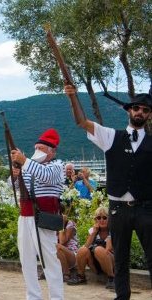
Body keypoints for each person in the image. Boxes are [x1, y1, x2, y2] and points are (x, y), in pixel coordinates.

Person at [65, 86, 152, 300]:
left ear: (149, 115)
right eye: (136, 108)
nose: (140, 112)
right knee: (120, 257)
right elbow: (81, 122)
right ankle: (122, 297)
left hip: (146, 208)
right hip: (118, 209)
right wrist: (72, 97)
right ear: (129, 111)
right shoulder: (111, 136)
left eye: (145, 110)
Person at [11, 128, 65, 300]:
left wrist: (24, 161)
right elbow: (15, 187)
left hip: (44, 216)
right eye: (37, 147)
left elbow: (46, 176)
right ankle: (33, 296)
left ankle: (56, 297)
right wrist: (15, 175)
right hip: (25, 215)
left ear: (52, 151)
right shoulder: (29, 167)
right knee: (26, 258)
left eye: (42, 148)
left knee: (48, 259)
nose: (38, 151)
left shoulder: (57, 166)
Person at [68, 207, 114, 289]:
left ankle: (112, 278)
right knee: (82, 250)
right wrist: (94, 233)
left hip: (111, 262)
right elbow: (86, 247)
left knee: (98, 249)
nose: (101, 220)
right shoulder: (93, 230)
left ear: (110, 218)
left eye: (105, 217)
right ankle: (81, 276)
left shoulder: (114, 230)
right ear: (96, 219)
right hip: (95, 264)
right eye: (99, 218)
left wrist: (110, 231)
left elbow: (109, 248)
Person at [56, 215, 79, 282]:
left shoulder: (70, 224)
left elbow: (62, 241)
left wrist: (61, 225)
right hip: (60, 256)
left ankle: (66, 273)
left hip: (72, 255)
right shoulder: (53, 223)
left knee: (57, 246)